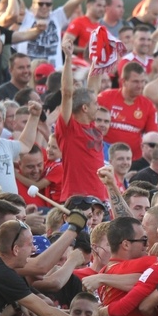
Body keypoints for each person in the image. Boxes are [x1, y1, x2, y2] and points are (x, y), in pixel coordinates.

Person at [57, 37, 105, 201]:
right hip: (77, 198)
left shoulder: (92, 125)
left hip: (100, 198)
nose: (98, 107)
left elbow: (93, 86)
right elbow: (67, 93)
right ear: (84, 107)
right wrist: (68, 59)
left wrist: (98, 58)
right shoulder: (69, 127)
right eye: (95, 104)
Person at [97, 61, 158, 161]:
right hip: (104, 156)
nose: (140, 85)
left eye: (143, 81)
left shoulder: (149, 106)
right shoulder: (104, 98)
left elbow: (152, 136)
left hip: (132, 161)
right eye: (136, 81)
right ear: (124, 81)